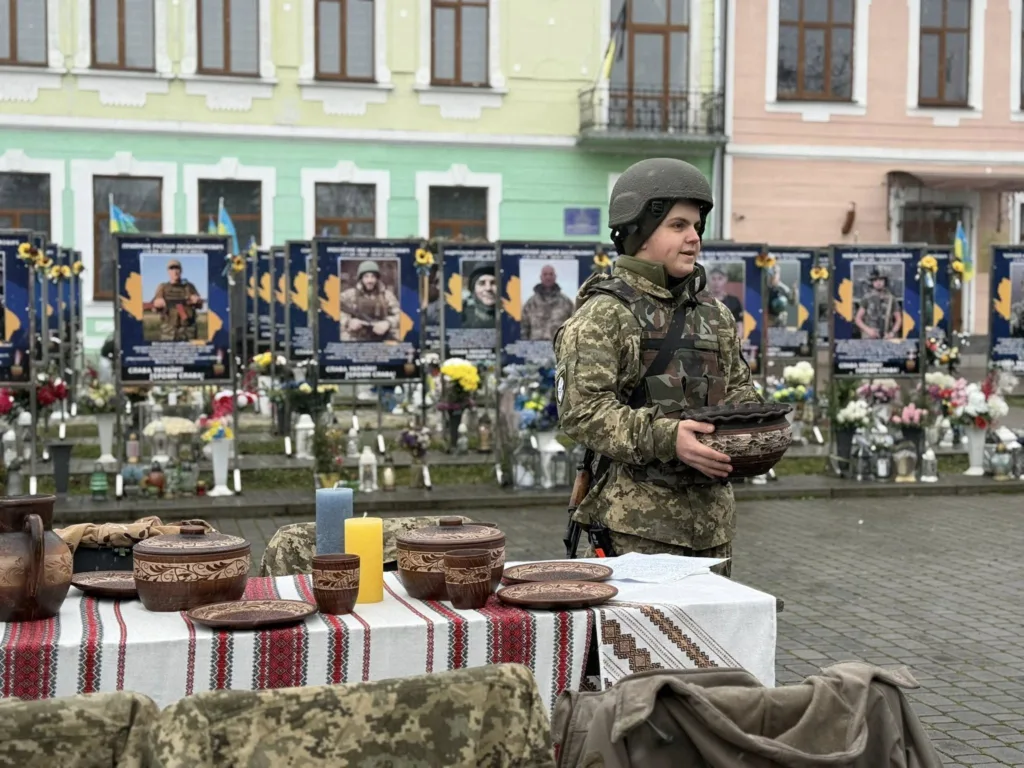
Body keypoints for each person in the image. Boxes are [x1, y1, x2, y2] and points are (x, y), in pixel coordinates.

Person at [554, 158, 762, 577]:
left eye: (697, 226)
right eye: (678, 225)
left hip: (713, 528)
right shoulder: (605, 314)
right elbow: (583, 413)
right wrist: (670, 438)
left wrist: (756, 429)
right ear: (639, 232)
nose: (694, 237)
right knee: (643, 626)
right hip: (635, 534)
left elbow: (739, 391)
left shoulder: (715, 314)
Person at [340, 260, 401, 342]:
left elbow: (400, 315)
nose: (370, 280)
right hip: (355, 339)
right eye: (366, 276)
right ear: (361, 278)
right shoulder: (350, 294)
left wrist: (388, 323)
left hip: (382, 338)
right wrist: (348, 321)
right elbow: (331, 308)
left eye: (373, 277)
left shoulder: (387, 295)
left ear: (377, 278)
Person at [150, 259, 202, 341]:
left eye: (177, 268)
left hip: (188, 330)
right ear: (168, 271)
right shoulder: (163, 287)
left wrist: (197, 300)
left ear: (181, 270)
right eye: (172, 269)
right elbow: (153, 306)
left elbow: (200, 305)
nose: (175, 271)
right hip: (168, 330)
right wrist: (156, 304)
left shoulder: (189, 286)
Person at [521, 264, 574, 341]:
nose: (548, 277)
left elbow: (573, 327)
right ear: (541, 277)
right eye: (545, 274)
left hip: (558, 346)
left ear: (555, 277)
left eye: (551, 274)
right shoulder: (531, 303)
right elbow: (524, 328)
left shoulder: (566, 302)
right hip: (536, 346)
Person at [854, 269, 901, 340]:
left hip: (887, 336)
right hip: (870, 337)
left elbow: (898, 319)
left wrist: (892, 333)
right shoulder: (867, 298)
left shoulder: (891, 298)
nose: (878, 283)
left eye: (881, 280)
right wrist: (868, 330)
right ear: (872, 282)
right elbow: (858, 319)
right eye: (875, 280)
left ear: (885, 281)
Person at [707, 266, 744, 339]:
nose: (716, 282)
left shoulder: (734, 301)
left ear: (725, 280)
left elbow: (739, 325)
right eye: (713, 279)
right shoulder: (701, 301)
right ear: (709, 280)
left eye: (720, 278)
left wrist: (736, 340)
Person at [461, 263, 497, 329]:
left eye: (494, 283)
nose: (488, 288)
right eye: (482, 283)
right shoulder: (463, 318)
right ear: (473, 290)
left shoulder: (511, 318)